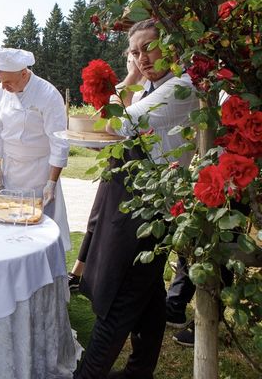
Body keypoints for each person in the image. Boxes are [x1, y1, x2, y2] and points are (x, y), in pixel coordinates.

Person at [74, 19, 199, 379]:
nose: (141, 58)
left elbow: (117, 124)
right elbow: (113, 121)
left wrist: (127, 81)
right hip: (143, 203)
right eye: (134, 52)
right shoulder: (152, 86)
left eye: (148, 47)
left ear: (171, 45)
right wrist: (132, 80)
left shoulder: (181, 87)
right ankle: (139, 369)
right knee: (148, 296)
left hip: (156, 209)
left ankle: (89, 373)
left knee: (122, 295)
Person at [68, 49, 146, 292]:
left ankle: (98, 279)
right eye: (129, 58)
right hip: (118, 161)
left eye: (134, 59)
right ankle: (78, 274)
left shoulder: (146, 90)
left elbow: (121, 124)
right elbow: (110, 125)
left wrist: (132, 78)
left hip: (137, 165)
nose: (132, 63)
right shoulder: (127, 87)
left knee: (115, 225)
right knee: (95, 217)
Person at [0, 47, 71, 249]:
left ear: (24, 74)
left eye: (8, 81)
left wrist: (51, 182)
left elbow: (59, 140)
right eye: (1, 81)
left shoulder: (48, 94)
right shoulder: (1, 90)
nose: (4, 86)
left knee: (41, 232)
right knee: (10, 228)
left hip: (40, 171)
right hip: (12, 170)